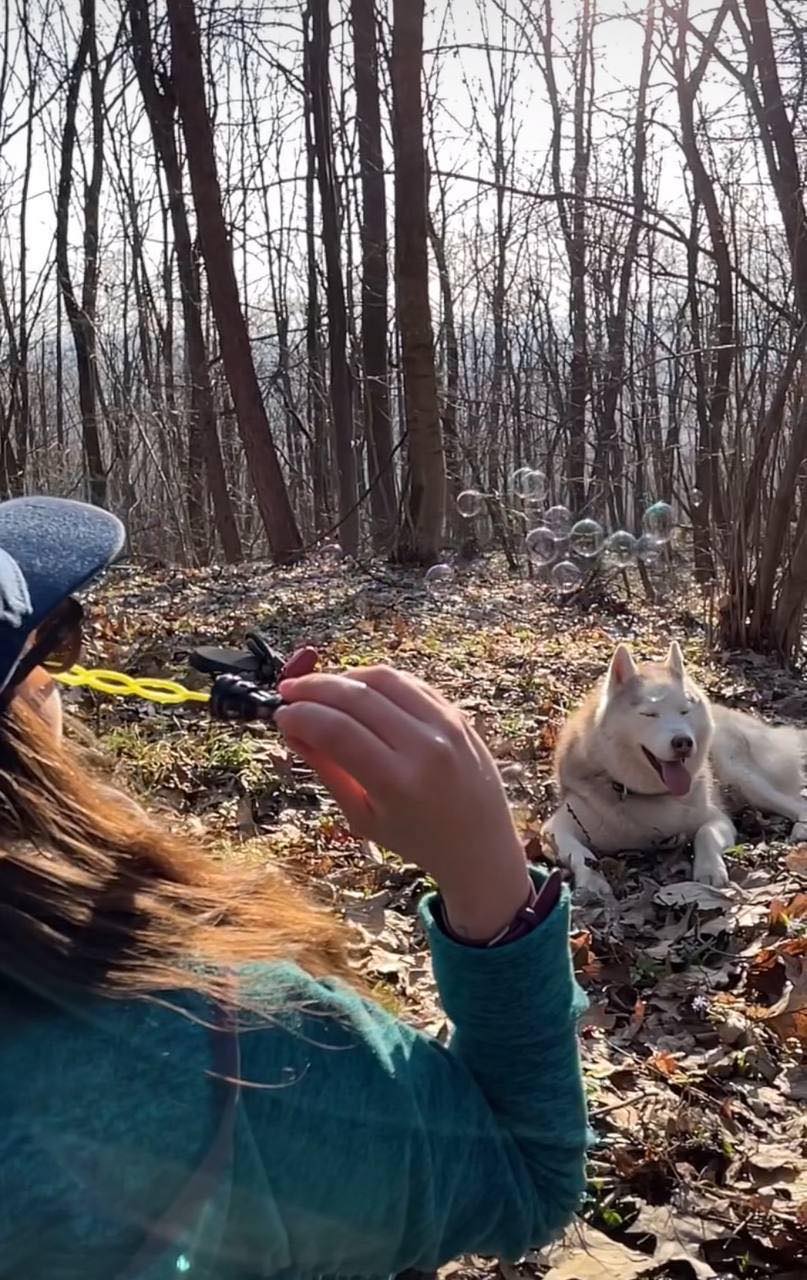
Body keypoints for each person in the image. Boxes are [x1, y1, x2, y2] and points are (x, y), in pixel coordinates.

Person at [0, 495, 589, 1279]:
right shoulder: (233, 1043)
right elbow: (525, 1179)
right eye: (57, 641)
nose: (64, 677)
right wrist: (488, 872)